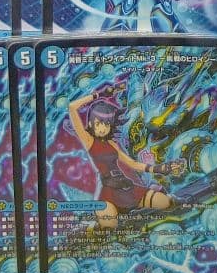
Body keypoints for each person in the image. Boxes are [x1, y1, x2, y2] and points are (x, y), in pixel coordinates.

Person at [68, 84, 185, 229]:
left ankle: (131, 213)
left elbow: (132, 164)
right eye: (98, 124)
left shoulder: (112, 144)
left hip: (127, 188)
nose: (102, 128)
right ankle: (93, 226)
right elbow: (72, 107)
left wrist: (159, 168)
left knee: (165, 202)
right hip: (108, 194)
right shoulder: (89, 141)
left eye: (106, 124)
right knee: (109, 227)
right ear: (91, 124)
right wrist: (98, 95)